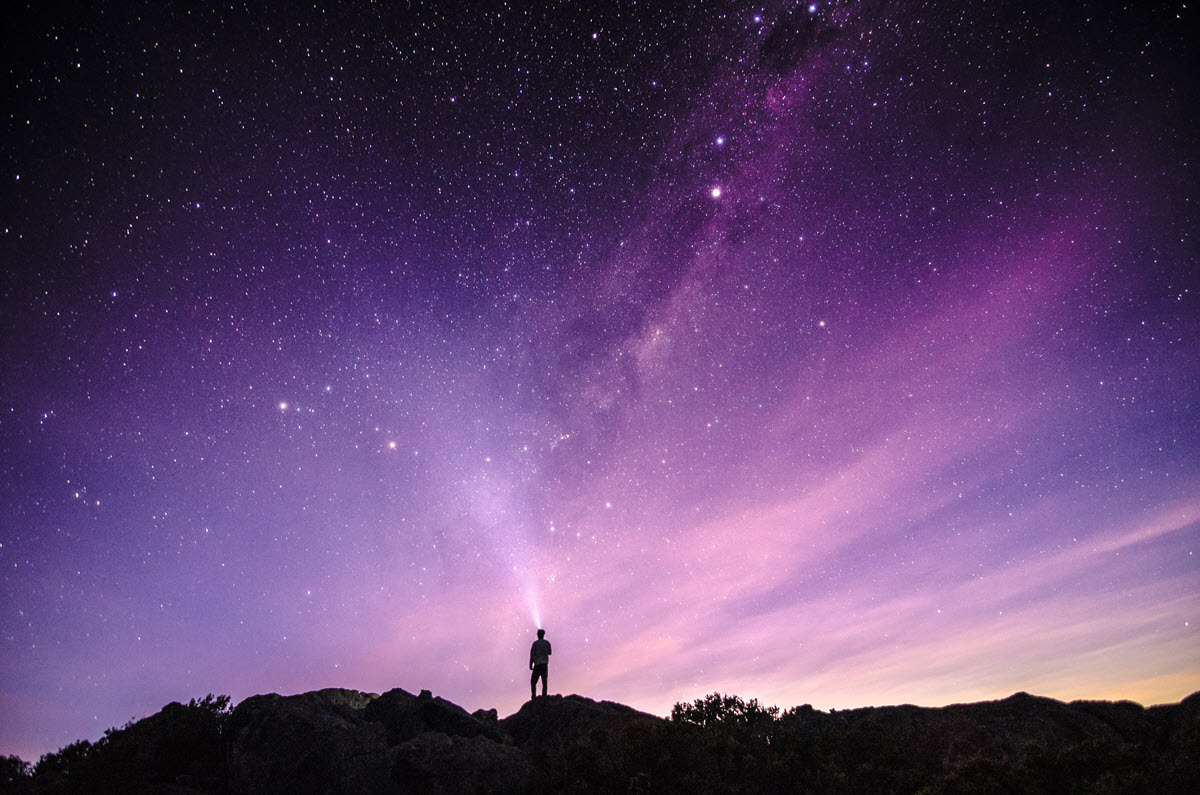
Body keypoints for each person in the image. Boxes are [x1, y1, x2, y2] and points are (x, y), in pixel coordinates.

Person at [529, 628, 551, 699]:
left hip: (537, 665)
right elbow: (550, 652)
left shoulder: (535, 644)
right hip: (544, 664)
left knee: (533, 681)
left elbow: (532, 655)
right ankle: (544, 696)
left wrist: (530, 664)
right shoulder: (547, 643)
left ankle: (533, 696)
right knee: (544, 681)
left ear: (538, 635)